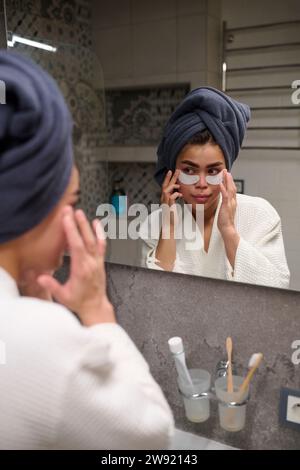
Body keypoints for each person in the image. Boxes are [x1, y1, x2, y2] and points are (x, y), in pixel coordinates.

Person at [0, 51, 174, 450]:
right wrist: (97, 308)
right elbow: (153, 439)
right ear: (31, 201)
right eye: (72, 200)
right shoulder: (40, 340)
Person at [140, 87, 290, 289]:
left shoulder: (260, 215)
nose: (201, 184)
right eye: (189, 170)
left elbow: (277, 291)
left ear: (227, 171)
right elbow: (150, 296)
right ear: (172, 171)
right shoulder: (154, 223)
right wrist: (168, 228)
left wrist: (228, 230)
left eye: (212, 171)